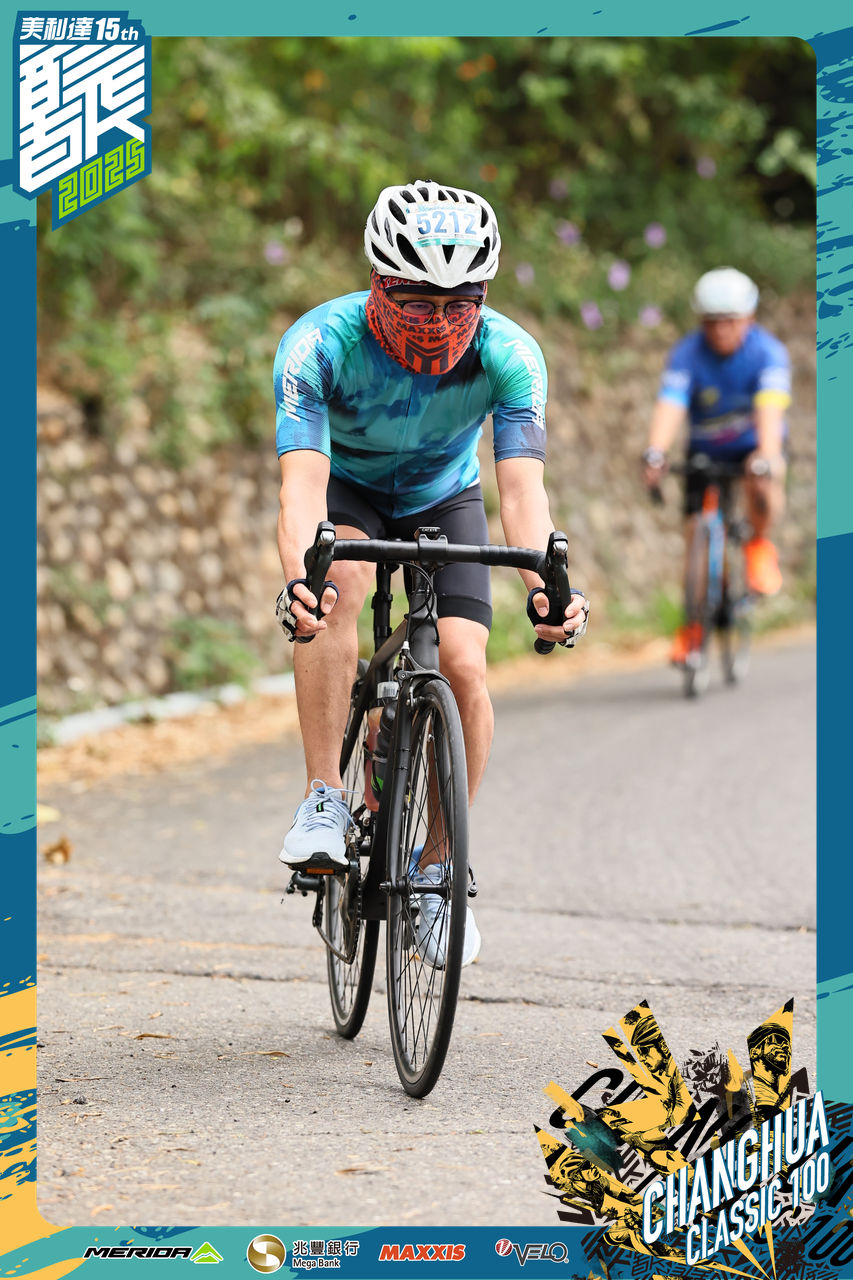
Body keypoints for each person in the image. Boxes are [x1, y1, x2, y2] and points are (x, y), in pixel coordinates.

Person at [272, 179, 588, 967]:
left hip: (443, 498)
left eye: (459, 303)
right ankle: (323, 799)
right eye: (416, 301)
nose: (438, 322)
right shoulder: (319, 344)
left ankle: (439, 873)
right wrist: (301, 580)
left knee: (463, 666)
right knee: (335, 593)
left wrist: (547, 590)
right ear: (376, 284)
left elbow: (523, 493)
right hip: (347, 491)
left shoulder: (510, 355)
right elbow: (300, 487)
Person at [642, 267, 791, 665]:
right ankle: (692, 629)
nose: (720, 329)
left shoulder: (768, 353)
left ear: (749, 318)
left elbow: (770, 410)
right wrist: (656, 451)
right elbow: (671, 403)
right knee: (696, 532)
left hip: (751, 446)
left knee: (763, 475)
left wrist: (767, 455)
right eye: (711, 321)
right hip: (705, 450)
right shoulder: (688, 354)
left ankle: (759, 544)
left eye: (730, 320)